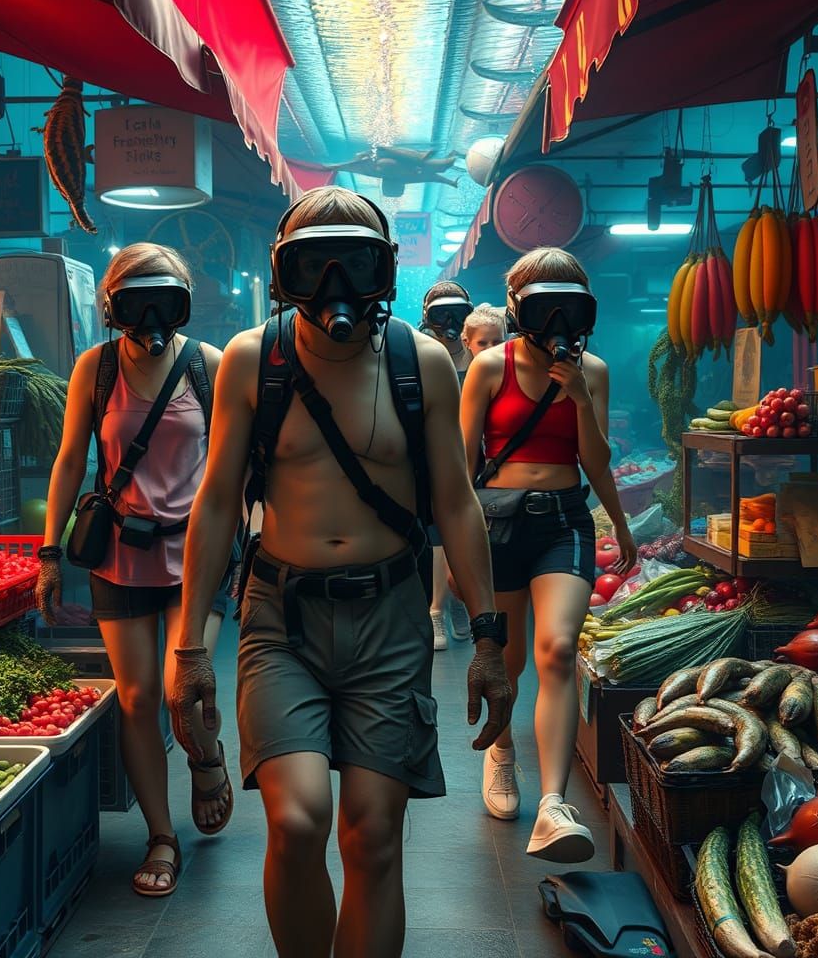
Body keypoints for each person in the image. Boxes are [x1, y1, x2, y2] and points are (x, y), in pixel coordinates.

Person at [169, 186, 511, 958]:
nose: (335, 290)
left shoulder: (421, 364)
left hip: (388, 620)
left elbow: (457, 505)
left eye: (353, 265)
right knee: (294, 823)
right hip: (278, 619)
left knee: (374, 835)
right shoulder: (255, 361)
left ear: (383, 273)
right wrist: (189, 647)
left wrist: (487, 639)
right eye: (311, 267)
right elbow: (218, 499)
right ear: (283, 275)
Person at [36, 243, 233, 898]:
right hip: (119, 556)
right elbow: (69, 461)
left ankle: (206, 760)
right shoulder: (95, 369)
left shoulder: (208, 365)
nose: (151, 318)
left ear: (183, 303)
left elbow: (237, 461)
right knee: (137, 697)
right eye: (135, 303)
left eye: (164, 301)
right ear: (112, 309)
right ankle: (162, 835)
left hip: (194, 556)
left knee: (184, 686)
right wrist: (49, 552)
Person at [459, 247, 636, 861]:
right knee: (506, 659)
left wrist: (582, 401)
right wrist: (454, 555)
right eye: (545, 308)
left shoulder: (596, 371)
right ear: (518, 308)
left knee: (557, 648)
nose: (559, 323)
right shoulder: (487, 367)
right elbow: (461, 469)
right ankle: (502, 753)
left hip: (564, 519)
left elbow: (596, 461)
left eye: (571, 308)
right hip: (497, 524)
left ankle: (553, 805)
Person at [420, 281, 475, 649]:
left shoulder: (479, 358)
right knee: (437, 534)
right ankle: (436, 609)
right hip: (430, 453)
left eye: (457, 314)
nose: (450, 323)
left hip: (475, 456)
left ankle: (460, 599)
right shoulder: (421, 354)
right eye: (442, 315)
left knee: (470, 529)